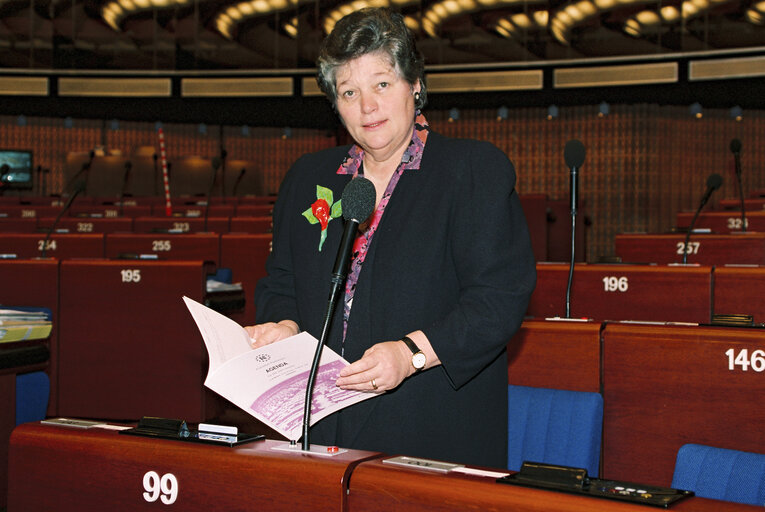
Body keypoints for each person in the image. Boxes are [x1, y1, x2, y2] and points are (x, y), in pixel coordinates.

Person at [246, 7, 536, 469]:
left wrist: (411, 354)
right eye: (349, 92)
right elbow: (282, 283)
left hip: (430, 427)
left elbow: (497, 300)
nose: (367, 106)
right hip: (321, 429)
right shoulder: (307, 178)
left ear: (415, 85)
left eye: (382, 84)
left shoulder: (472, 171)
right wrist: (282, 326)